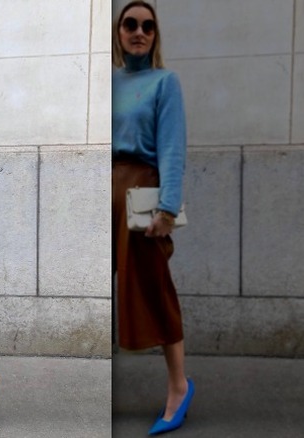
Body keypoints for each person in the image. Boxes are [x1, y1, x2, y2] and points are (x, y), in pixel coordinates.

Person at [112, 1, 194, 435]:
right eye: (130, 24)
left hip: (142, 191)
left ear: (155, 34)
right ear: (119, 31)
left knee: (155, 287)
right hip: (105, 190)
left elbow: (173, 147)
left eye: (148, 25)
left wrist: (167, 207)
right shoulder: (109, 81)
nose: (139, 31)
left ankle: (179, 386)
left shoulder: (165, 82)